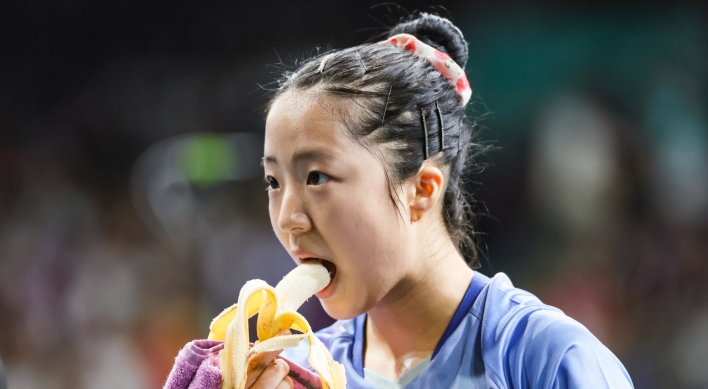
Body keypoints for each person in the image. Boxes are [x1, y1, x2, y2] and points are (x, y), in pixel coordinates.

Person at [169, 12, 634, 389]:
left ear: (421, 190)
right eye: (273, 182)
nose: (288, 218)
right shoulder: (298, 372)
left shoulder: (546, 360)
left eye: (316, 176)